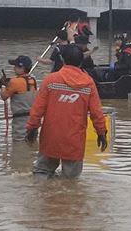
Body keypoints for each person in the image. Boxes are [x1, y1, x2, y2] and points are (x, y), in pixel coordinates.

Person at [25, 46, 108, 179]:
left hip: (51, 137)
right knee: (71, 182)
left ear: (63, 60)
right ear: (81, 62)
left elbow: (37, 109)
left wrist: (31, 128)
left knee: (41, 173)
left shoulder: (51, 80)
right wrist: (101, 132)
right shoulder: (88, 84)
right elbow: (96, 112)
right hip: (74, 140)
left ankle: (41, 198)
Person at [0, 55, 38, 139]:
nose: (14, 68)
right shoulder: (33, 80)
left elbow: (4, 97)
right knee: (32, 142)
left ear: (22, 68)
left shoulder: (15, 81)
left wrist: (2, 86)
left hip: (21, 121)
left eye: (16, 66)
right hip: (33, 119)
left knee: (19, 143)